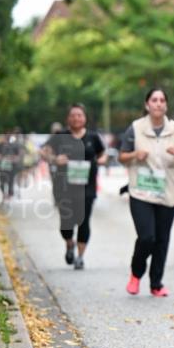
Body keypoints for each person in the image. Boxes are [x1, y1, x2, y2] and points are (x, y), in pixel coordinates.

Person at [118, 89, 174, 296]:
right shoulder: (135, 128)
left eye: (162, 100)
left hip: (169, 190)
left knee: (162, 238)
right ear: (147, 104)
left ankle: (156, 284)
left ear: (166, 105)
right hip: (141, 190)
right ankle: (136, 273)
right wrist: (135, 154)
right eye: (154, 100)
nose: (158, 104)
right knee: (147, 236)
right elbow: (122, 157)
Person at [41, 105, 107, 269]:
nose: (76, 118)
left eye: (80, 115)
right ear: (68, 119)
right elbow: (43, 152)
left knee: (84, 222)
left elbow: (103, 153)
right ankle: (69, 243)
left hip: (87, 187)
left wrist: (101, 160)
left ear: (85, 118)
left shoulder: (93, 137)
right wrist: (54, 159)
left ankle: (80, 257)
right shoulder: (61, 136)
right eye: (73, 115)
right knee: (66, 222)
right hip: (64, 188)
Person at [0, 132, 23, 202]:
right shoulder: (1, 144)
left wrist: (13, 159)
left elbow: (18, 155)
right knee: (2, 183)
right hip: (2, 167)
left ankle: (9, 197)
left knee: (10, 182)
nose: (8, 136)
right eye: (6, 135)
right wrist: (1, 158)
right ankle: (4, 195)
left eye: (9, 135)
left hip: (12, 167)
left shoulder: (15, 144)